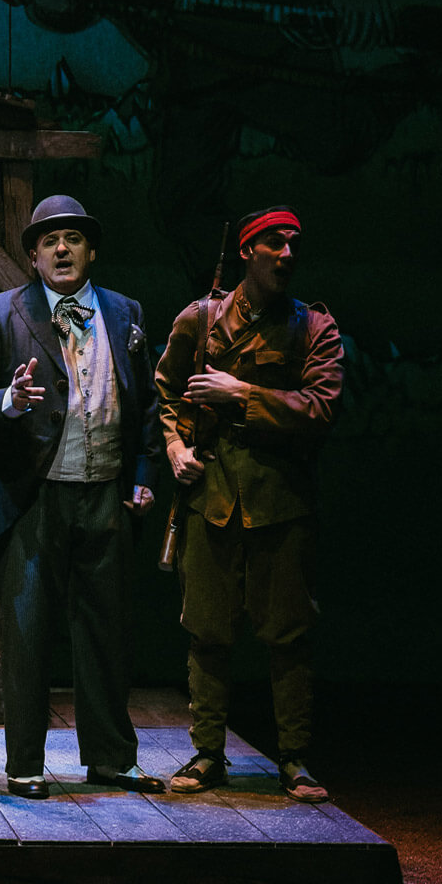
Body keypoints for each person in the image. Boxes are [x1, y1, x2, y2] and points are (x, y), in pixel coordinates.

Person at [0, 194, 165, 801]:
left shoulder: (124, 312)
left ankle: (110, 759)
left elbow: (147, 403)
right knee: (28, 633)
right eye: (49, 241)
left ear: (91, 251)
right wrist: (9, 401)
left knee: (107, 630)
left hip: (106, 490)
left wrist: (143, 473)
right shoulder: (5, 311)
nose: (61, 249)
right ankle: (26, 763)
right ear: (33, 255)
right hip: (35, 496)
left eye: (72, 238)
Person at [155, 206, 342, 802]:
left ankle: (294, 758)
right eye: (274, 244)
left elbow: (321, 408)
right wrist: (175, 446)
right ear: (246, 251)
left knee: (288, 634)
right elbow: (167, 391)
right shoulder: (200, 318)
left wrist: (242, 393)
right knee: (207, 631)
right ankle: (208, 754)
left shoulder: (313, 327)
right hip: (210, 498)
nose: (287, 255)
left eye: (294, 245)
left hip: (280, 501)